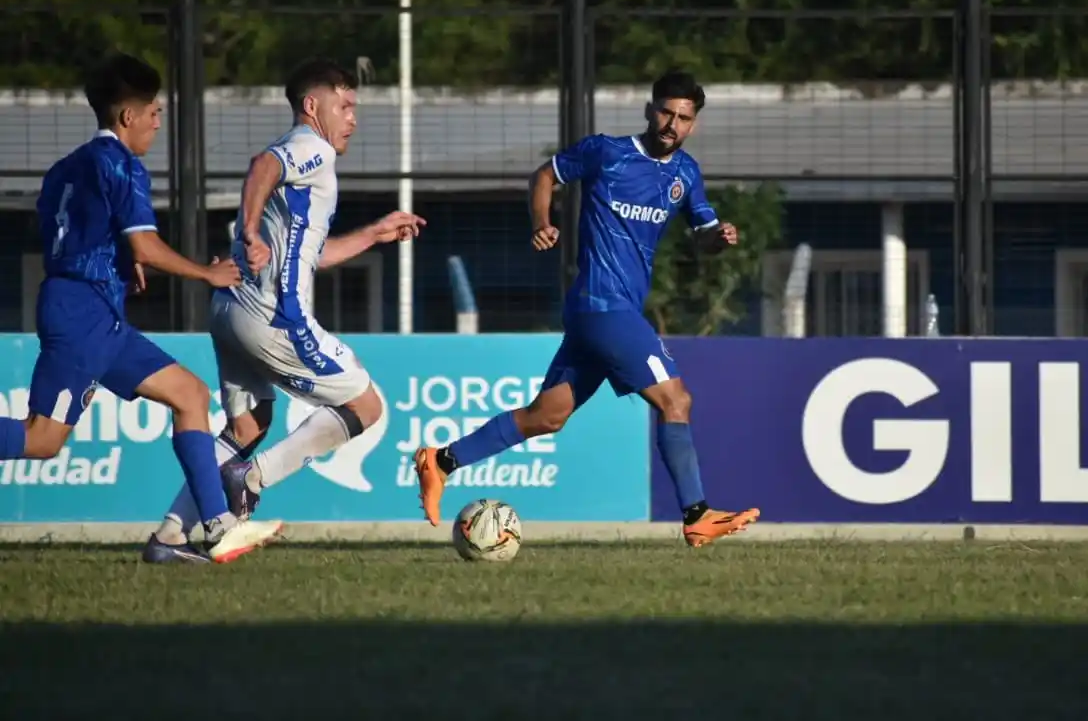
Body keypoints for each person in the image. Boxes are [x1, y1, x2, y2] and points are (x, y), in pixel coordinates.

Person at [413, 70, 759, 547]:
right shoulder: (607, 152)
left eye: (683, 118)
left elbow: (703, 238)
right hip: (602, 305)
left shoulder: (686, 174)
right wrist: (542, 219)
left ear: (693, 124)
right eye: (665, 112)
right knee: (675, 400)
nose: (671, 124)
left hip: (609, 312)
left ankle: (441, 461)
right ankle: (697, 514)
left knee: (546, 417)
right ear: (648, 109)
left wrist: (718, 239)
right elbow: (544, 175)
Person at [0, 52, 283, 563]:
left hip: (93, 308)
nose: (158, 120)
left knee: (191, 395)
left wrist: (113, 265)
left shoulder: (66, 167)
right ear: (126, 117)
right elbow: (147, 245)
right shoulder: (122, 166)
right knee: (42, 440)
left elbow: (67, 236)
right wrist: (207, 273)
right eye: (152, 110)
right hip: (82, 316)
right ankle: (211, 525)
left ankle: (211, 527)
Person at [143, 57, 424, 562]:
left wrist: (374, 234)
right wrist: (248, 231)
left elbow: (311, 254)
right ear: (313, 107)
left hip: (231, 308)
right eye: (345, 105)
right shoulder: (310, 147)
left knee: (249, 425)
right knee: (365, 406)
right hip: (274, 318)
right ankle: (253, 479)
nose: (353, 118)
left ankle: (168, 536)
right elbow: (263, 166)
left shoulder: (310, 162)